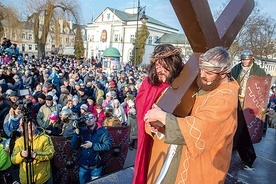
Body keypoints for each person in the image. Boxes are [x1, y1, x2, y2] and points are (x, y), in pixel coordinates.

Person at [143, 47, 239, 183]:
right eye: (202, 70)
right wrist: (160, 127)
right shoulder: (207, 83)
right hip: (179, 153)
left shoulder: (226, 98)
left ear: (223, 74)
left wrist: (163, 117)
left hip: (203, 163)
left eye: (209, 72)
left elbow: (201, 128)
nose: (203, 75)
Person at [133, 44, 184, 184]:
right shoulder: (149, 84)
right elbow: (141, 106)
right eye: (157, 65)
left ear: (173, 64)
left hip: (174, 140)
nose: (159, 69)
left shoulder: (183, 84)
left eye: (164, 65)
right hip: (153, 137)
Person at [71, 113, 111, 184]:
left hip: (96, 166)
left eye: (91, 118)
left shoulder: (103, 131)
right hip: (83, 165)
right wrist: (77, 134)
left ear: (95, 119)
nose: (88, 120)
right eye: (86, 118)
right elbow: (74, 146)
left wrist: (92, 145)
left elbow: (107, 146)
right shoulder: (82, 130)